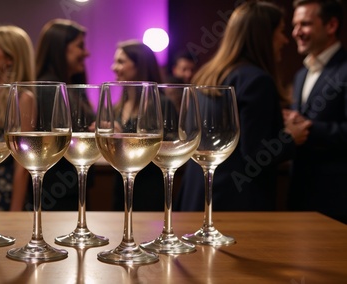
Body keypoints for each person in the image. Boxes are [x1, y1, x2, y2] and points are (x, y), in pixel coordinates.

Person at [175, 1, 312, 212]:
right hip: (234, 204)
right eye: (281, 31)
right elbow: (256, 156)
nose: (285, 40)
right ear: (264, 36)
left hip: (197, 196)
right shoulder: (257, 80)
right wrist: (290, 137)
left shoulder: (208, 75)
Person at [286, 0, 347, 223]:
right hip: (301, 194)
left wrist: (308, 127)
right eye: (295, 25)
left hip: (336, 200)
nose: (296, 32)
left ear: (331, 25)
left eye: (305, 24)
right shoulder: (301, 74)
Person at [30, 18, 90, 211]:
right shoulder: (49, 88)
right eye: (80, 46)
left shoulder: (67, 86)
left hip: (68, 186)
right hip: (56, 190)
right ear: (60, 48)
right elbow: (54, 141)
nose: (86, 53)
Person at [0, 25, 36, 211]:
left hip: (5, 192)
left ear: (10, 59)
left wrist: (14, 212)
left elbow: (22, 163)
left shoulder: (23, 98)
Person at [110, 39, 166, 211]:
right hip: (121, 184)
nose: (114, 67)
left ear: (139, 65)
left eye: (120, 61)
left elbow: (168, 149)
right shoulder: (118, 106)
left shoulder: (161, 104)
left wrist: (124, 138)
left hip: (149, 188)